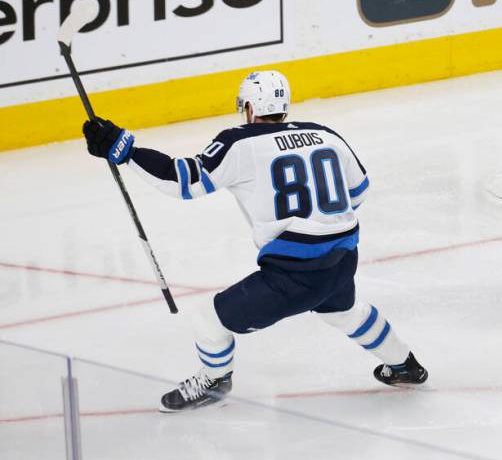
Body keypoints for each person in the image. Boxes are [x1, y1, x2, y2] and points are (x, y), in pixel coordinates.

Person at [81, 70, 428, 412]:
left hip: (294, 272)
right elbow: (358, 192)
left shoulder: (239, 142)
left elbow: (183, 180)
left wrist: (124, 149)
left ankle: (215, 380)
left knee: (208, 320)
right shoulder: (325, 135)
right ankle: (405, 365)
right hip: (341, 256)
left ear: (249, 107)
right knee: (344, 312)